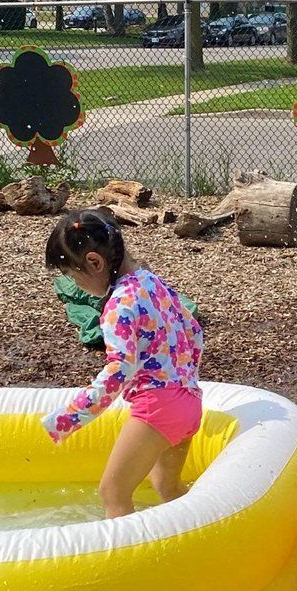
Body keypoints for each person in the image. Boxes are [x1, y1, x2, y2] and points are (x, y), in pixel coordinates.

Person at [42, 210, 204, 518]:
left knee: (113, 492)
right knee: (167, 486)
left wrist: (71, 417)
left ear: (94, 263)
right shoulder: (153, 283)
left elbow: (119, 370)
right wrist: (188, 379)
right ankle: (201, 542)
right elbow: (193, 332)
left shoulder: (118, 305)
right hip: (189, 401)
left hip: (156, 407)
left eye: (74, 278)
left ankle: (127, 565)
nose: (76, 286)